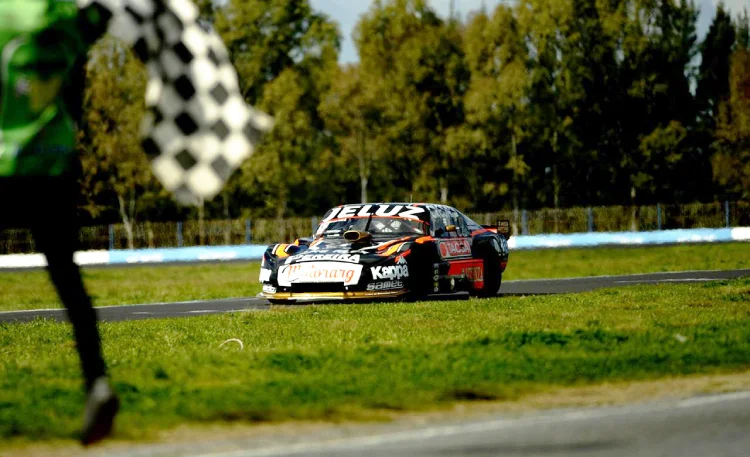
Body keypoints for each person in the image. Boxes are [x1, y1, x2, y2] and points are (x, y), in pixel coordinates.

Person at [1, 0, 270, 446]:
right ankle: (97, 380)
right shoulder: (60, 18)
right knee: (68, 280)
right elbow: (113, 16)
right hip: (54, 166)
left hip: (8, 165)